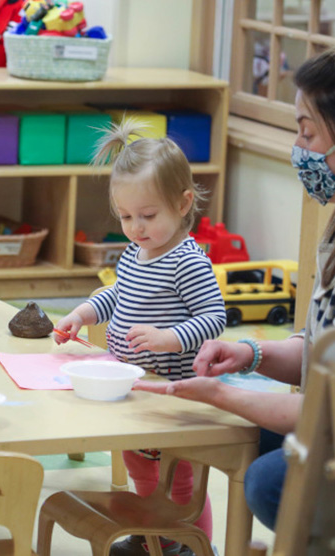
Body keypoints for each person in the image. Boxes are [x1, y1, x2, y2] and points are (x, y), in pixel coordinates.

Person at [135, 21, 335, 532]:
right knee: (219, 428)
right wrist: (252, 355)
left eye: (307, 133)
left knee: (270, 478)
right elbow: (324, 356)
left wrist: (223, 393)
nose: (299, 148)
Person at [54, 121, 227, 556]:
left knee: (181, 479)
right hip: (136, 387)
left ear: (184, 203)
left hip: (175, 396)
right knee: (141, 466)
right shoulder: (137, 251)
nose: (135, 228)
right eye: (126, 216)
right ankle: (153, 534)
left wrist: (171, 337)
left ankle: (188, 543)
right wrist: (81, 313)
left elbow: (214, 317)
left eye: (148, 216)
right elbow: (118, 294)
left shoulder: (186, 261)